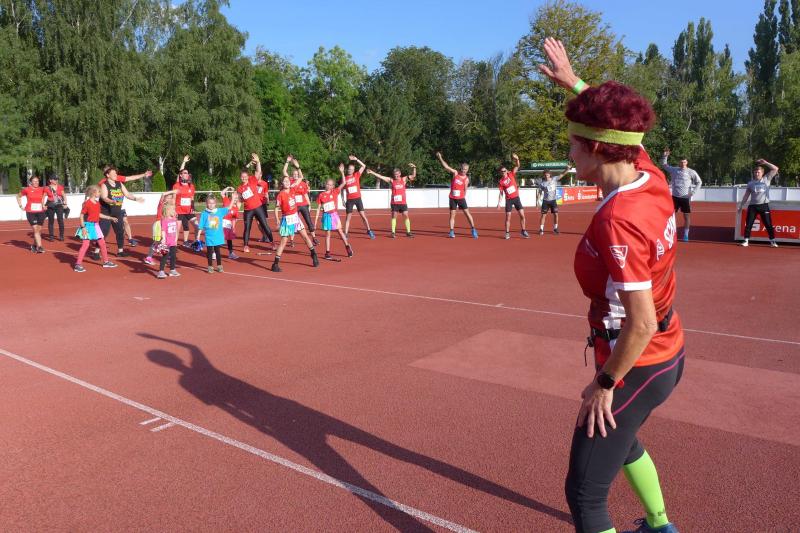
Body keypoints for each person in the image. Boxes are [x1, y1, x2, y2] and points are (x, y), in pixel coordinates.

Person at [540, 37, 684, 533]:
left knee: (584, 494)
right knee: (624, 443)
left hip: (636, 360)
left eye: (573, 144)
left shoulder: (619, 218)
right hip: (666, 350)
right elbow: (627, 131)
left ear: (598, 148)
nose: (569, 153)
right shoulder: (648, 173)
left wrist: (604, 384)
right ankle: (660, 525)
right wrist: (575, 83)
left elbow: (640, 323)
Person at [270, 176, 319, 272]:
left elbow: (300, 178)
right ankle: (275, 264)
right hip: (287, 219)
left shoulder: (293, 189)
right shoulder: (280, 195)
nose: (287, 182)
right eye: (285, 181)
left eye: (288, 181)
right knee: (283, 242)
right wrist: (277, 220)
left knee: (305, 237)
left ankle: (314, 255)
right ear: (282, 183)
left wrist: (297, 168)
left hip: (295, 218)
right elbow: (276, 208)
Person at [99, 165, 147, 257]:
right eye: (113, 173)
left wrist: (136, 199)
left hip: (117, 211)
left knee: (120, 231)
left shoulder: (119, 184)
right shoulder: (104, 185)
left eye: (116, 173)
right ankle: (96, 251)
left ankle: (120, 251)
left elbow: (127, 194)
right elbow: (104, 197)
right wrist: (111, 201)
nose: (115, 175)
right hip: (106, 212)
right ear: (108, 175)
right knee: (104, 232)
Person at [74, 185, 119, 272]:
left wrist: (110, 218)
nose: (100, 193)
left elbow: (98, 214)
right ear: (94, 193)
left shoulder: (97, 203)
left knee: (102, 244)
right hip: (87, 226)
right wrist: (83, 227)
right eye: (99, 192)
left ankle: (106, 262)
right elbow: (81, 215)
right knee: (85, 245)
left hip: (96, 226)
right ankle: (78, 264)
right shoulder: (87, 203)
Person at [660, 150, 702, 242]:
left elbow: (699, 182)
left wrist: (693, 192)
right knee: (671, 216)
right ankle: (671, 233)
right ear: (679, 162)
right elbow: (664, 165)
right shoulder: (674, 170)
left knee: (686, 217)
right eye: (681, 162)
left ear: (687, 162)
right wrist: (665, 156)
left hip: (685, 198)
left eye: (684, 162)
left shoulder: (691, 172)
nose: (683, 164)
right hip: (675, 197)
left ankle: (686, 234)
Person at [236, 153, 274, 253]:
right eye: (242, 177)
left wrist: (258, 162)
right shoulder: (239, 188)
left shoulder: (252, 180)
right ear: (240, 178)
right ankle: (245, 246)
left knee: (264, 225)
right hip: (248, 210)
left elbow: (258, 171)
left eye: (245, 176)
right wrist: (236, 211)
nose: (244, 178)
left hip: (258, 207)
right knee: (247, 228)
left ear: (248, 177)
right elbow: (239, 201)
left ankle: (272, 243)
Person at [367, 164, 417, 238]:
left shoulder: (403, 179)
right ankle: (393, 233)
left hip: (403, 202)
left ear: (400, 174)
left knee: (406, 216)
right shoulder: (391, 180)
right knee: (394, 217)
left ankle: (408, 232)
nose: (396, 175)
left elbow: (413, 175)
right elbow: (380, 176)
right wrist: (372, 172)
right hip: (394, 203)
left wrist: (414, 167)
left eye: (397, 174)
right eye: (395, 174)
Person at [738, 159, 780, 248]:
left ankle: (772, 241)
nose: (757, 174)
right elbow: (746, 196)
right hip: (753, 206)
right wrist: (741, 205)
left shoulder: (767, 179)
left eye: (758, 172)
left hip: (764, 205)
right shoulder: (750, 183)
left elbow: (776, 169)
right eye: (755, 172)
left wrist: (765, 163)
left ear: (762, 173)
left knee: (768, 224)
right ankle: (746, 240)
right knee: (748, 224)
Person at [436, 152, 478, 238]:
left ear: (467, 170)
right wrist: (440, 158)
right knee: (452, 215)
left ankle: (473, 229)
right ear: (461, 168)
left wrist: (462, 198)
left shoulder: (466, 179)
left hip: (461, 198)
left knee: (467, 213)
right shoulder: (455, 173)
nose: (464, 170)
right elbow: (446, 167)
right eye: (463, 169)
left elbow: (465, 189)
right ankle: (451, 231)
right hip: (452, 198)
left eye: (466, 169)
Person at [315, 178, 354, 260]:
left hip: (334, 215)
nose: (329, 186)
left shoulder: (335, 192)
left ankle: (347, 246)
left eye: (331, 185)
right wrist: (315, 221)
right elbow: (318, 208)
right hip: (326, 216)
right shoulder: (321, 195)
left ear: (333, 186)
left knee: (340, 231)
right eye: (327, 184)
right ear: (325, 184)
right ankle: (327, 252)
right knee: (328, 234)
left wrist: (342, 172)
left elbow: (344, 183)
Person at [284, 155, 319, 245]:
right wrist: (287, 162)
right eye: (294, 174)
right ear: (292, 175)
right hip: (294, 206)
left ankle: (314, 237)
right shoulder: (290, 182)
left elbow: (305, 194)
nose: (295, 175)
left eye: (297, 174)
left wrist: (309, 204)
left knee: (308, 221)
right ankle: (292, 240)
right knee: (293, 222)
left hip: (303, 205)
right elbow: (284, 172)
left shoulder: (302, 183)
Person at [340, 154, 376, 239]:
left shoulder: (356, 175)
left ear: (353, 170)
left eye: (351, 169)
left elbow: (364, 166)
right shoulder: (344, 178)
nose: (350, 170)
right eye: (349, 169)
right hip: (349, 200)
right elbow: (341, 189)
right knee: (348, 218)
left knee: (363, 216)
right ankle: (346, 234)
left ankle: (369, 230)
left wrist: (356, 159)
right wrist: (342, 200)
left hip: (357, 199)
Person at [17, 175, 53, 253]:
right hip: (30, 212)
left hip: (40, 212)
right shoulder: (26, 189)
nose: (36, 182)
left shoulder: (42, 189)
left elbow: (50, 196)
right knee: (35, 229)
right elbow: (18, 196)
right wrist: (20, 206)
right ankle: (39, 247)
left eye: (37, 181)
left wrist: (46, 205)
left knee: (38, 231)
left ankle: (34, 245)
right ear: (31, 182)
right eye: (34, 181)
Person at [496, 154, 529, 239]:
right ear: (500, 172)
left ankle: (523, 231)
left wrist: (517, 159)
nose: (504, 172)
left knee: (522, 215)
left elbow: (517, 166)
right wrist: (499, 203)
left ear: (506, 171)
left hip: (516, 198)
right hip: (509, 200)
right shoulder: (501, 182)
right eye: (502, 171)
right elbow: (501, 193)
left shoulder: (511, 174)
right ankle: (507, 233)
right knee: (508, 216)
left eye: (504, 171)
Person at [143, 190, 178, 265]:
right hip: (159, 225)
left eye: (171, 198)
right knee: (157, 242)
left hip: (166, 224)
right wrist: (173, 191)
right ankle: (149, 257)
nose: (170, 199)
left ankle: (167, 256)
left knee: (167, 241)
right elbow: (163, 194)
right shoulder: (161, 204)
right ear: (165, 198)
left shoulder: (170, 207)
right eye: (168, 198)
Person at [196, 195, 229, 273]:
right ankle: (210, 266)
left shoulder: (219, 211)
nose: (211, 205)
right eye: (209, 203)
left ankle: (219, 266)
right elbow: (201, 225)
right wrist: (198, 235)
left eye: (213, 203)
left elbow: (228, 208)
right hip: (209, 236)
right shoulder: (204, 213)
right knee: (209, 252)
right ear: (206, 203)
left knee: (218, 251)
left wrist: (233, 198)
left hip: (217, 236)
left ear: (215, 204)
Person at [536, 166, 572, 235]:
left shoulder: (554, 179)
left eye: (547, 174)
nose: (546, 176)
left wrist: (567, 169)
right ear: (544, 175)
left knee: (556, 214)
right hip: (545, 201)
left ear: (550, 175)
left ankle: (555, 228)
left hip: (553, 201)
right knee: (543, 215)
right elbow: (540, 192)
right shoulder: (542, 183)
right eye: (545, 175)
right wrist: (537, 201)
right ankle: (541, 229)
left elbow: (562, 174)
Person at [173, 155, 197, 247]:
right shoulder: (177, 185)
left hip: (188, 211)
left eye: (187, 173)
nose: (187, 174)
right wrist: (184, 162)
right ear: (181, 175)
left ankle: (196, 242)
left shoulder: (191, 186)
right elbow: (173, 198)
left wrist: (193, 207)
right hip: (179, 211)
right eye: (185, 173)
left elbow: (192, 198)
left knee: (197, 226)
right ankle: (173, 246)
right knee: (177, 229)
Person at [154, 202, 180, 279]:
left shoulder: (174, 220)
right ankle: (161, 271)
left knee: (173, 256)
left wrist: (176, 239)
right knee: (165, 256)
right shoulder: (164, 220)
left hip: (173, 242)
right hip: (167, 242)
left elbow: (176, 230)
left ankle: (172, 270)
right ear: (168, 211)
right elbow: (163, 230)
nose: (174, 211)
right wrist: (163, 239)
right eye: (173, 209)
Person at [45, 174, 69, 241]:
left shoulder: (60, 187)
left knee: (60, 220)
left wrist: (65, 203)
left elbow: (64, 195)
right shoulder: (47, 188)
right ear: (50, 180)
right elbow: (43, 197)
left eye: (57, 179)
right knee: (51, 221)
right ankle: (51, 236)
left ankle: (61, 236)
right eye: (55, 179)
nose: (56, 180)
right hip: (50, 205)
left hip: (59, 205)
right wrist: (43, 205)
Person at [221, 187, 241, 259]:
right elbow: (222, 193)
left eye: (236, 198)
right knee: (220, 237)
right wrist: (228, 188)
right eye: (234, 197)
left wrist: (233, 227)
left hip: (228, 223)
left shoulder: (236, 208)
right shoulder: (226, 200)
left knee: (229, 239)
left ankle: (231, 253)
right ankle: (213, 252)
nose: (235, 199)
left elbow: (234, 219)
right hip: (222, 221)